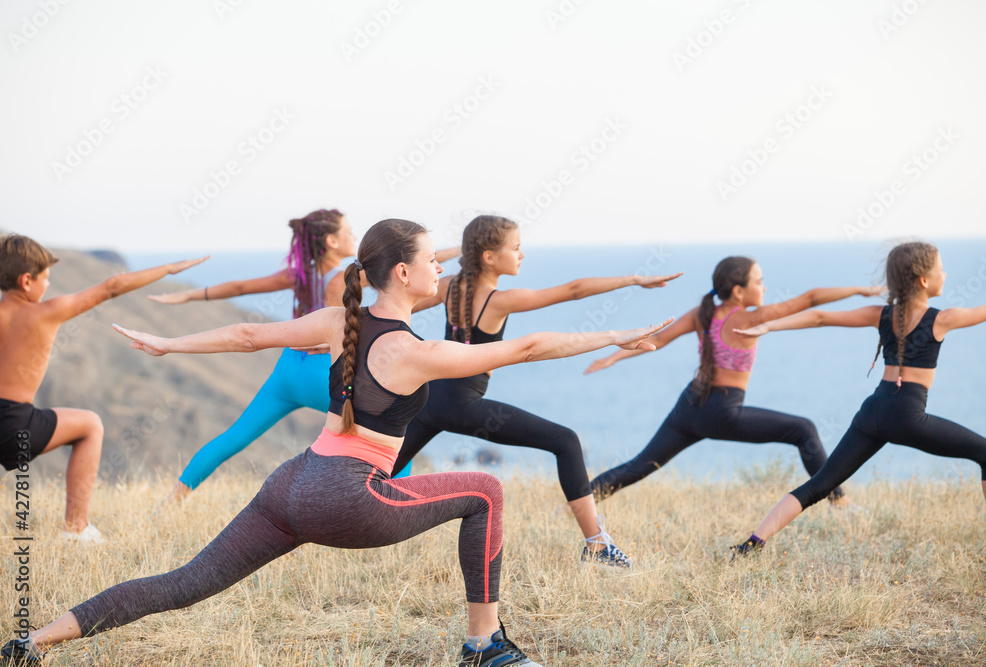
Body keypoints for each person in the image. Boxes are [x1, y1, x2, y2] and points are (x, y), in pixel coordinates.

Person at [0, 219, 666, 666]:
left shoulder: (337, 320)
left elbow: (243, 337)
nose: (440, 268)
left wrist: (170, 341)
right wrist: (610, 335)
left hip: (291, 483)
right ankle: (484, 643)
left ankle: (36, 639)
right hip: (344, 498)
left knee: (185, 583)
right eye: (429, 259)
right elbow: (525, 347)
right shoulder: (412, 350)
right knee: (485, 489)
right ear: (401, 275)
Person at [391, 215, 681, 567]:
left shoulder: (450, 285)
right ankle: (597, 546)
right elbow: (572, 291)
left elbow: (396, 309)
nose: (522, 254)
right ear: (489, 257)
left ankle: (330, 512)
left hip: (428, 400)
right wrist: (633, 280)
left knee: (372, 478)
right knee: (566, 441)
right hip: (461, 406)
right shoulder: (497, 300)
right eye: (515, 248)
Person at [152, 209, 458, 505]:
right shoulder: (345, 278)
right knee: (396, 423)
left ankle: (170, 502)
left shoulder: (297, 274)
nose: (353, 235)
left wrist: (188, 295)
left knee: (235, 437)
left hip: (287, 368)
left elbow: (241, 287)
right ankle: (398, 502)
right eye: (348, 231)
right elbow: (397, 266)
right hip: (320, 371)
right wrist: (456, 252)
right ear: (332, 242)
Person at [732, 241, 986, 556]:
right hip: (906, 416)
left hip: (873, 412)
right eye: (941, 269)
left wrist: (767, 327)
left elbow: (819, 317)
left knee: (819, 485)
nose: (945, 274)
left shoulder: (882, 315)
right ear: (924, 281)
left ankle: (750, 545)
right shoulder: (942, 319)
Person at [587, 256, 882, 505]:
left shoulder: (702, 314)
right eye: (759, 281)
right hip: (722, 412)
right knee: (804, 430)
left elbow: (658, 340)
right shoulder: (751, 319)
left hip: (689, 406)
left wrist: (614, 356)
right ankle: (840, 502)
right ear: (739, 292)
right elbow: (811, 298)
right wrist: (858, 289)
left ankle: (579, 502)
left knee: (639, 465)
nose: (764, 287)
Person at [0, 234, 204, 544]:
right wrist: (168, 269)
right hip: (16, 425)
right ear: (27, 281)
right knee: (90, 425)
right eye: (46, 279)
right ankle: (76, 529)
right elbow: (112, 286)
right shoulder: (45, 313)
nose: (49, 286)